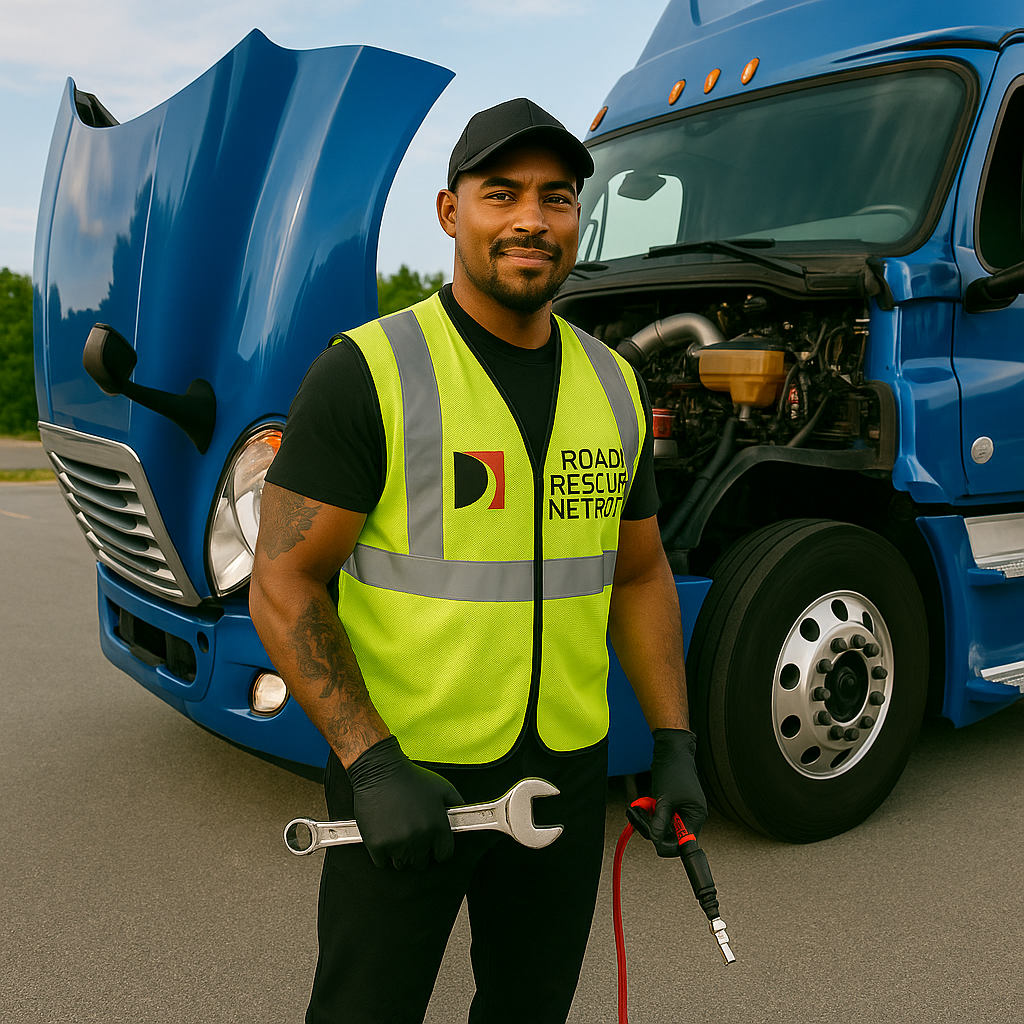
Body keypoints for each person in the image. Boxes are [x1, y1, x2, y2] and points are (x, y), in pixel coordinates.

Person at [249, 97, 707, 1024]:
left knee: (531, 1008)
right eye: (502, 194)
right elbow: (283, 579)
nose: (533, 218)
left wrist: (672, 740)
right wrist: (370, 764)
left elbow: (641, 573)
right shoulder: (370, 371)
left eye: (558, 196)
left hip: (567, 780)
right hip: (408, 779)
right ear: (451, 213)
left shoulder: (614, 384)